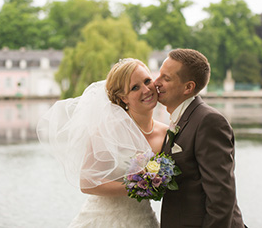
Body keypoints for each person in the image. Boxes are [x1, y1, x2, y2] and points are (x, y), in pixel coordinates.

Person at [37, 58, 167, 227]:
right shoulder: (108, 131)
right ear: (123, 98)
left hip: (142, 219)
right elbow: (86, 184)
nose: (146, 89)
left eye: (147, 81)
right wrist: (137, 187)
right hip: (104, 219)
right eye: (135, 87)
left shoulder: (167, 133)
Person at [154, 49, 246, 228]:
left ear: (188, 87)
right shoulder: (179, 119)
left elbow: (221, 198)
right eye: (159, 75)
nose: (156, 82)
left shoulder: (209, 121)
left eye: (166, 78)